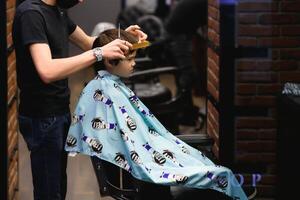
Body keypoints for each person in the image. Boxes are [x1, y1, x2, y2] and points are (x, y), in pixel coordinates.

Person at [65, 29, 248, 200]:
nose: (134, 63)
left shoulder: (100, 88)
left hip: (148, 165)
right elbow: (134, 151)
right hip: (150, 177)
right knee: (223, 174)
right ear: (110, 61)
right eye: (130, 59)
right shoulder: (108, 92)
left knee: (213, 169)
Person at [12, 0, 147, 199]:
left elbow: (89, 43)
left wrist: (124, 37)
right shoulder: (31, 14)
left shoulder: (57, 11)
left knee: (59, 187)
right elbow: (47, 70)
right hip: (42, 116)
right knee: (49, 192)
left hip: (59, 110)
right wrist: (98, 53)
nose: (81, 0)